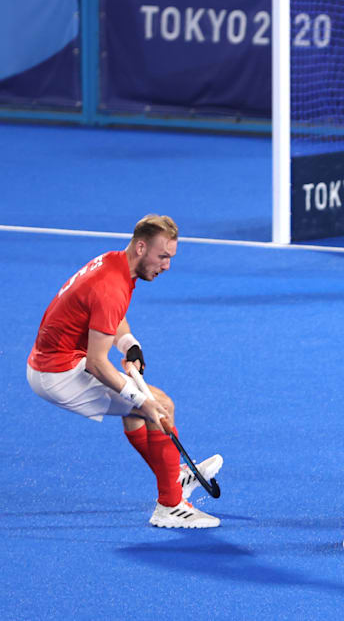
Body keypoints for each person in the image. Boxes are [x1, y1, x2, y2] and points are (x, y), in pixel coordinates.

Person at [26, 215, 222, 528]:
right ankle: (170, 505)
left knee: (137, 410)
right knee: (159, 407)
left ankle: (172, 476)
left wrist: (129, 346)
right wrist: (140, 398)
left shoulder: (115, 263)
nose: (167, 266)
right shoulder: (111, 287)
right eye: (163, 256)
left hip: (54, 360)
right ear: (142, 247)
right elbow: (97, 364)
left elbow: (110, 317)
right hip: (58, 373)